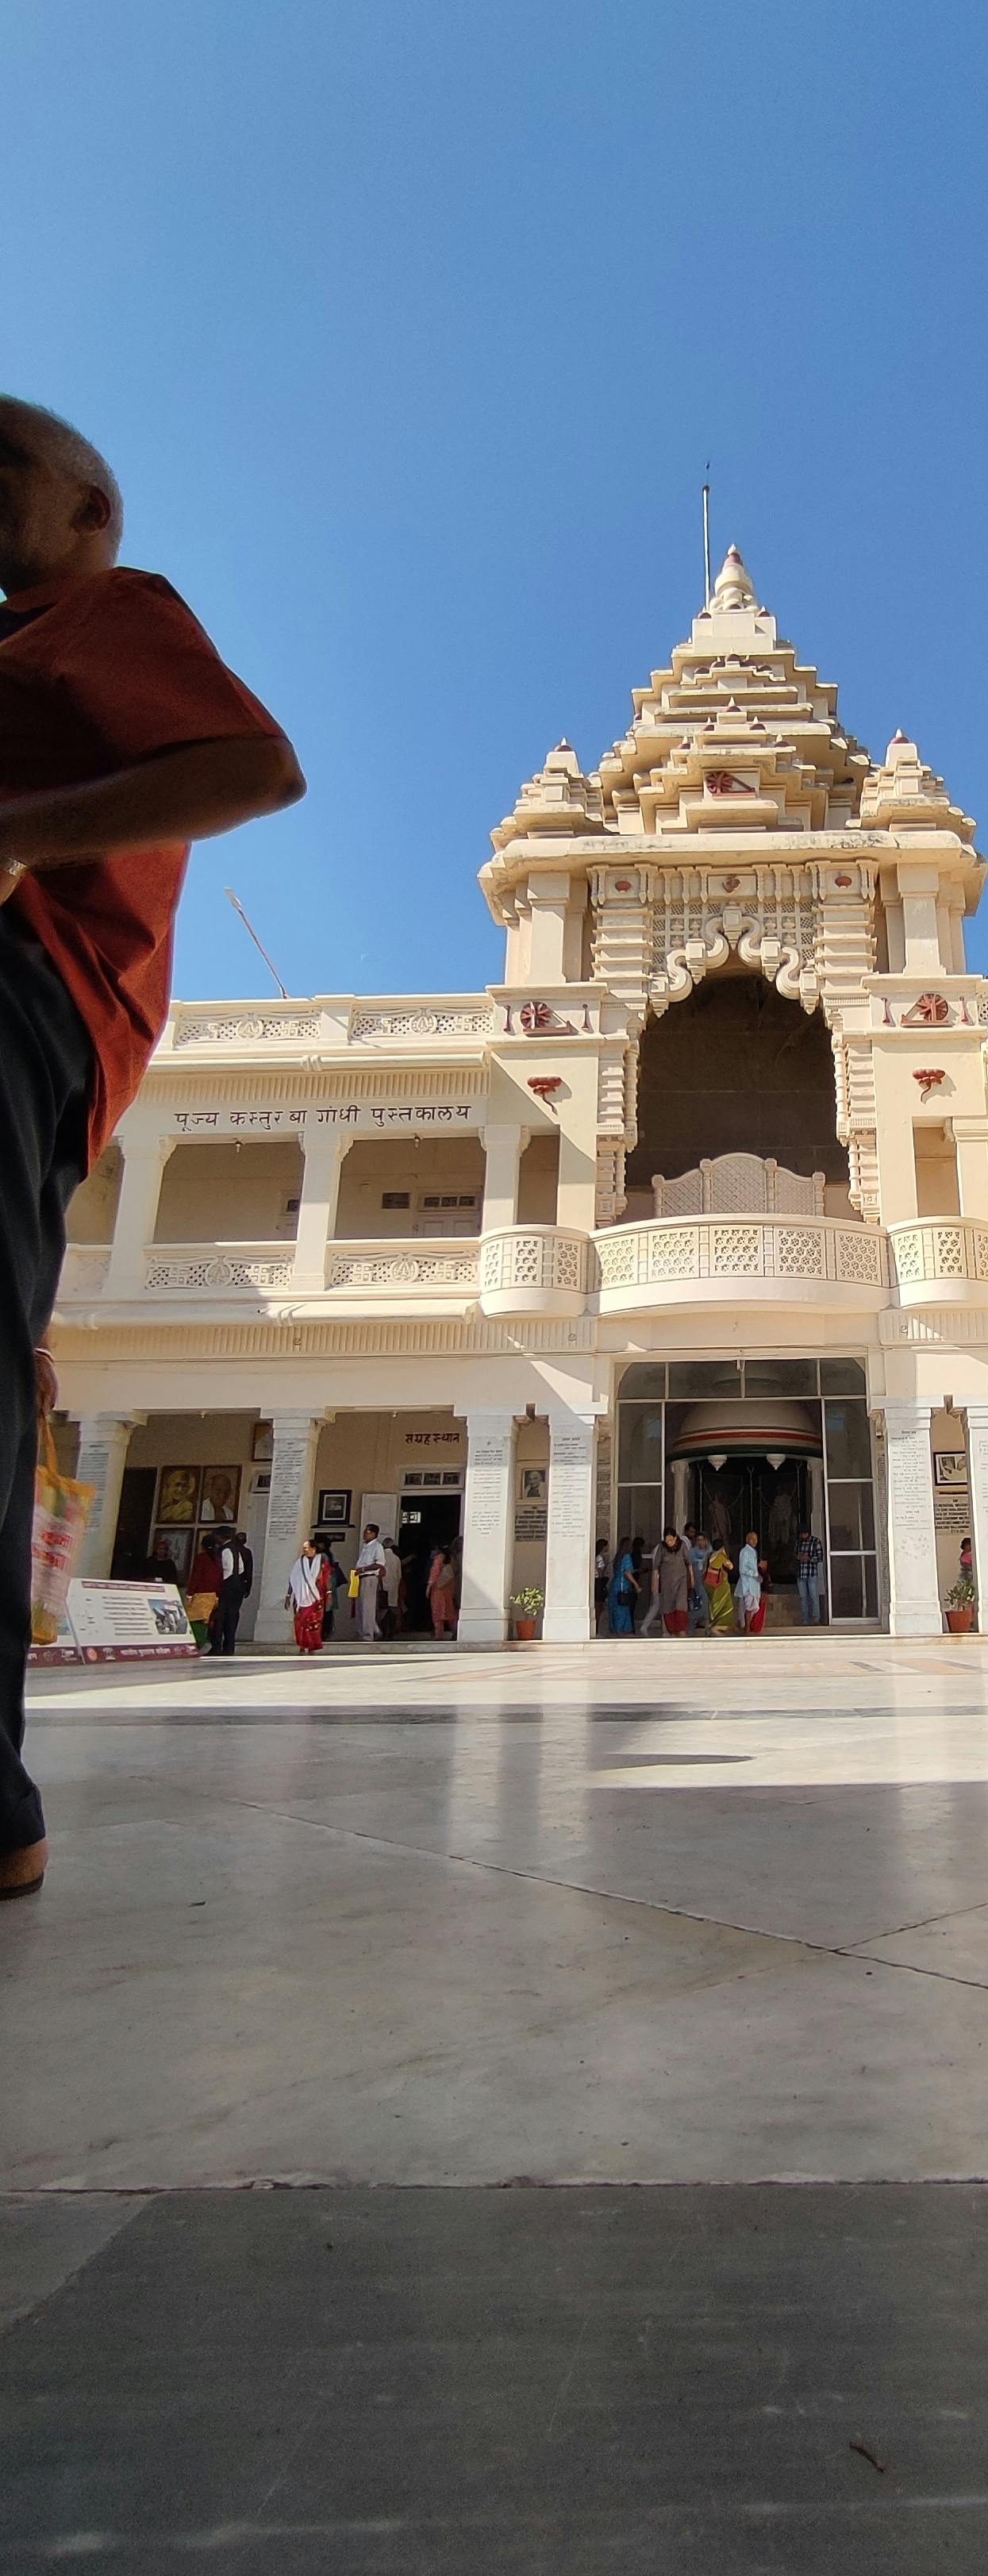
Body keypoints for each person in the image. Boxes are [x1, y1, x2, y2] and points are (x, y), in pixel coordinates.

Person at [0, 397, 303, 1901]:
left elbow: (254, 766)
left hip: (25, 985)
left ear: (86, 511)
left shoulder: (98, 610)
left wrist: (17, 834)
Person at [213, 1527, 252, 1657]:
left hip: (228, 1586)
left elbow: (228, 1569)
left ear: (221, 1537)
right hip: (238, 1586)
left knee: (221, 1617)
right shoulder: (237, 1549)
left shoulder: (226, 1549)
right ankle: (229, 1648)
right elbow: (241, 1569)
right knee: (232, 1617)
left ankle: (217, 1647)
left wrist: (221, 1583)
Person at [286, 1540, 328, 1656]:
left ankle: (312, 1647)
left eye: (306, 1547)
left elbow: (326, 1577)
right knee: (300, 1623)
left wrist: (329, 1593)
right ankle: (301, 1646)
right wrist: (288, 1595)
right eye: (303, 1548)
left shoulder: (321, 1560)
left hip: (315, 1596)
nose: (304, 1550)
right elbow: (293, 1579)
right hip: (300, 1598)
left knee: (313, 1624)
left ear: (313, 1549)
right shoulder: (299, 1562)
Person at [185, 1534, 223, 1651]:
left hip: (200, 1594)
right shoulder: (217, 1559)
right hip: (212, 1595)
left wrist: (190, 1593)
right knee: (206, 1621)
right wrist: (217, 1595)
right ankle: (203, 1642)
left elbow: (196, 1576)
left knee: (195, 1620)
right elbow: (219, 1578)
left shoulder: (201, 1558)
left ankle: (197, 1643)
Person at [653, 1528, 690, 1636]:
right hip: (667, 1583)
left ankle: (681, 1630)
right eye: (667, 1540)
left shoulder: (682, 1546)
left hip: (681, 1581)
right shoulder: (662, 1547)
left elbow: (689, 1563)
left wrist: (691, 1578)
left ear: (675, 1538)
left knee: (681, 1605)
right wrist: (654, 1584)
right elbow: (656, 1567)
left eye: (671, 1540)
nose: (669, 1542)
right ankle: (671, 1630)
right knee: (668, 1605)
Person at [354, 1523, 387, 1640]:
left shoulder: (377, 1547)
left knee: (368, 1606)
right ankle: (371, 1630)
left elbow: (379, 1564)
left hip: (369, 1577)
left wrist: (363, 1569)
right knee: (360, 1606)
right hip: (361, 1578)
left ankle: (368, 1634)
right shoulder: (365, 1547)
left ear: (373, 1534)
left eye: (367, 1532)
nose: (364, 1534)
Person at [736, 1531, 767, 1633]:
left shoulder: (753, 1552)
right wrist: (756, 1572)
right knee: (748, 1608)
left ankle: (745, 1627)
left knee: (750, 1607)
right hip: (747, 1584)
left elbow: (753, 1568)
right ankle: (747, 1629)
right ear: (748, 1540)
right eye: (753, 1539)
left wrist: (758, 1570)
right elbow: (743, 1569)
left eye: (756, 1539)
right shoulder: (744, 1552)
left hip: (754, 1584)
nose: (755, 1541)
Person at [795, 1520, 825, 1625]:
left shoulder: (816, 1542)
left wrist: (809, 1558)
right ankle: (805, 1620)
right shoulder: (798, 1542)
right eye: (801, 1534)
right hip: (801, 1574)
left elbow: (820, 1557)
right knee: (803, 1597)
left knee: (814, 1596)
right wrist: (798, 1557)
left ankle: (816, 1619)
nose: (803, 1536)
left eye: (804, 1534)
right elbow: (795, 1555)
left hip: (811, 1573)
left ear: (808, 1533)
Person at [606, 1539, 639, 1636]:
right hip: (622, 1586)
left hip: (615, 1585)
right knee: (622, 1608)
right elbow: (627, 1572)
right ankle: (622, 1629)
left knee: (615, 1608)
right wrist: (636, 1584)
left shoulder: (619, 1557)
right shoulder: (627, 1557)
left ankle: (615, 1629)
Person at [702, 1540, 734, 1634]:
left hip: (708, 1584)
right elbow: (730, 1566)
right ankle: (717, 1626)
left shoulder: (709, 1555)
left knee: (711, 1605)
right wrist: (724, 1554)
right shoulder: (720, 1556)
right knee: (725, 1605)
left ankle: (709, 1627)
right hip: (718, 1585)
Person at [426, 1544, 458, 1639]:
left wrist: (429, 1586)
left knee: (438, 1612)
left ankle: (439, 1635)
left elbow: (434, 1573)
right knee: (449, 1611)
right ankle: (456, 1631)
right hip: (449, 1587)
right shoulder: (453, 1559)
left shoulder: (438, 1559)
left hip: (438, 1589)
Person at [686, 1528, 711, 1633]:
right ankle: (692, 1620)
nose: (700, 1542)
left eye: (702, 1540)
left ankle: (707, 1627)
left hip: (708, 1582)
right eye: (698, 1540)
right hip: (696, 1582)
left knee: (706, 1605)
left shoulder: (710, 1552)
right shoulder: (692, 1553)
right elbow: (689, 1567)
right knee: (699, 1604)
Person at [380, 1538, 403, 1639]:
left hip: (382, 1587)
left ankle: (385, 1632)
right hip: (393, 1586)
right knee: (393, 1609)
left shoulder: (380, 1558)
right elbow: (399, 1575)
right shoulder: (396, 1559)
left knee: (383, 1610)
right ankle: (392, 1632)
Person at [594, 1539, 610, 1631]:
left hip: (595, 1581)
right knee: (599, 1604)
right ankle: (597, 1626)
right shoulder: (600, 1558)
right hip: (599, 1582)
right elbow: (600, 1572)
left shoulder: (595, 1556)